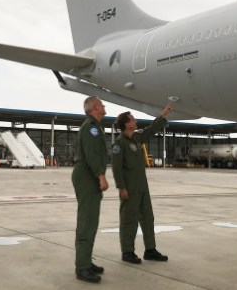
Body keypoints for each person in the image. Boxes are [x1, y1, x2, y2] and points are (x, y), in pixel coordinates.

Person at [111, 103, 172, 264]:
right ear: (127, 124)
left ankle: (150, 250)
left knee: (148, 218)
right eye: (133, 119)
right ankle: (127, 252)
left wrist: (163, 115)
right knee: (128, 220)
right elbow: (116, 169)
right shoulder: (119, 144)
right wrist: (121, 188)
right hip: (129, 189)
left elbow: (151, 130)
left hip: (142, 187)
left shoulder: (137, 138)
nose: (136, 121)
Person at [72, 96, 109, 283]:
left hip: (87, 175)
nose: (104, 105)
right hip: (88, 175)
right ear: (95, 107)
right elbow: (92, 153)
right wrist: (100, 175)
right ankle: (82, 267)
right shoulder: (92, 127)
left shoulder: (94, 126)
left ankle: (85, 260)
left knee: (91, 221)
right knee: (87, 221)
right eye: (102, 103)